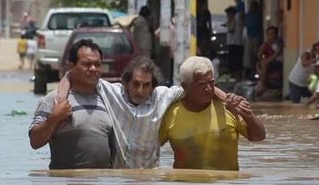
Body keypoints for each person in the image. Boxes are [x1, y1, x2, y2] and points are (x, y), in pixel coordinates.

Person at [58, 56, 242, 169]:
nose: (140, 90)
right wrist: (61, 101)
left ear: (153, 86)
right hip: (118, 179)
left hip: (150, 180)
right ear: (126, 83)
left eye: (146, 85)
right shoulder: (111, 93)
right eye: (135, 84)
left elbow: (202, 86)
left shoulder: (163, 96)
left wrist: (228, 100)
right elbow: (70, 75)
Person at [159, 56, 266, 171]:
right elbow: (148, 149)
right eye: (201, 85)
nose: (208, 89)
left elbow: (258, 137)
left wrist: (247, 115)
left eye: (211, 82)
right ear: (185, 86)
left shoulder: (228, 107)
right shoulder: (171, 115)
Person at [29, 39, 113, 169]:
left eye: (97, 64)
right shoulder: (54, 100)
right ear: (72, 66)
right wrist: (54, 118)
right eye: (87, 64)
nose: (93, 69)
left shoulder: (106, 98)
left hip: (100, 183)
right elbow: (35, 142)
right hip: (67, 182)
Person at [255, 26, 283, 96]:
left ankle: (263, 84)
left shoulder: (278, 44)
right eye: (268, 34)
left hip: (277, 63)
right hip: (268, 63)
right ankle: (262, 83)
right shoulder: (266, 44)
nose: (270, 36)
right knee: (262, 63)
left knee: (264, 63)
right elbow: (259, 55)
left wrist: (266, 61)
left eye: (272, 34)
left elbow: (275, 55)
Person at [225, 6, 244, 82]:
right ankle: (237, 79)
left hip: (236, 44)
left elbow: (231, 29)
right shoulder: (233, 20)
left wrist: (229, 22)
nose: (227, 16)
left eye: (228, 14)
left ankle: (238, 79)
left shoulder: (235, 20)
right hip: (233, 44)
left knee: (237, 64)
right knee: (234, 64)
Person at [244, 1, 263, 76]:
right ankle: (251, 70)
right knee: (250, 55)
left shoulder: (258, 15)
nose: (251, 8)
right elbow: (246, 23)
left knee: (256, 54)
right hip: (250, 36)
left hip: (256, 36)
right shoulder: (248, 14)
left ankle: (255, 69)